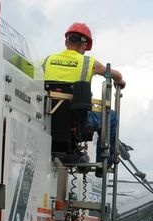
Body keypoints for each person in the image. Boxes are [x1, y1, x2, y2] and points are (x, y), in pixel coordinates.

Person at [42, 22, 129, 162]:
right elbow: (117, 76)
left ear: (66, 41)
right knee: (111, 116)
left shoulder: (46, 60)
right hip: (77, 120)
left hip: (47, 115)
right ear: (85, 45)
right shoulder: (89, 63)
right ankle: (104, 160)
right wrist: (121, 83)